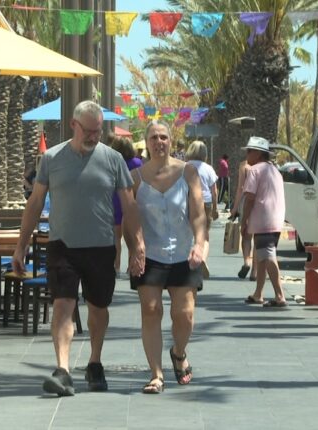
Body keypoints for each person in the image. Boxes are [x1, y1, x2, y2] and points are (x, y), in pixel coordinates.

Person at [11, 100, 145, 397]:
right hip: (62, 246)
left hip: (100, 247)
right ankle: (63, 370)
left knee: (98, 308)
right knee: (63, 305)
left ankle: (94, 362)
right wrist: (21, 246)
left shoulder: (113, 160)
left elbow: (129, 205)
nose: (94, 136)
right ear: (74, 125)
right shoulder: (52, 158)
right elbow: (34, 204)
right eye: (88, 130)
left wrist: (138, 246)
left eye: (98, 131)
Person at [130, 120, 206, 394]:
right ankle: (156, 374)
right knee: (151, 311)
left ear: (171, 141)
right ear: (146, 142)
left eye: (163, 137)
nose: (159, 142)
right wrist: (134, 246)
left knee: (183, 314)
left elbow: (198, 214)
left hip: (184, 254)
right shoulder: (136, 177)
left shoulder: (188, 172)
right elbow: (130, 217)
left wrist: (200, 243)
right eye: (153, 137)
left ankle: (178, 351)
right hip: (149, 254)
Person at [239, 137, 286, 307]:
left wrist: (244, 221)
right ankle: (258, 293)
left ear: (258, 154)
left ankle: (280, 295)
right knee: (261, 257)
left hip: (263, 219)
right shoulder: (275, 171)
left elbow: (250, 198)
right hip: (276, 219)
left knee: (268, 255)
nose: (247, 155)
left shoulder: (255, 171)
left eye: (249, 151)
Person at [110, 134, 142, 273]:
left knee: (116, 237)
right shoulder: (137, 163)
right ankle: (131, 264)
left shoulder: (113, 161)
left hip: (115, 198)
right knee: (132, 234)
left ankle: (116, 266)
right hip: (132, 199)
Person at [185, 140, 218, 278]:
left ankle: (188, 260)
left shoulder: (185, 166)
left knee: (187, 231)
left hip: (189, 201)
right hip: (206, 202)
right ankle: (202, 258)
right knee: (204, 234)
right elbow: (214, 191)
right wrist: (215, 208)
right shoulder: (208, 168)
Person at [230, 158, 256, 280]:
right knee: (257, 238)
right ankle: (255, 272)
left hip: (246, 200)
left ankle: (247, 262)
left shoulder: (244, 166)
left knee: (246, 236)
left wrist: (235, 208)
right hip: (259, 201)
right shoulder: (263, 166)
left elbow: (240, 189)